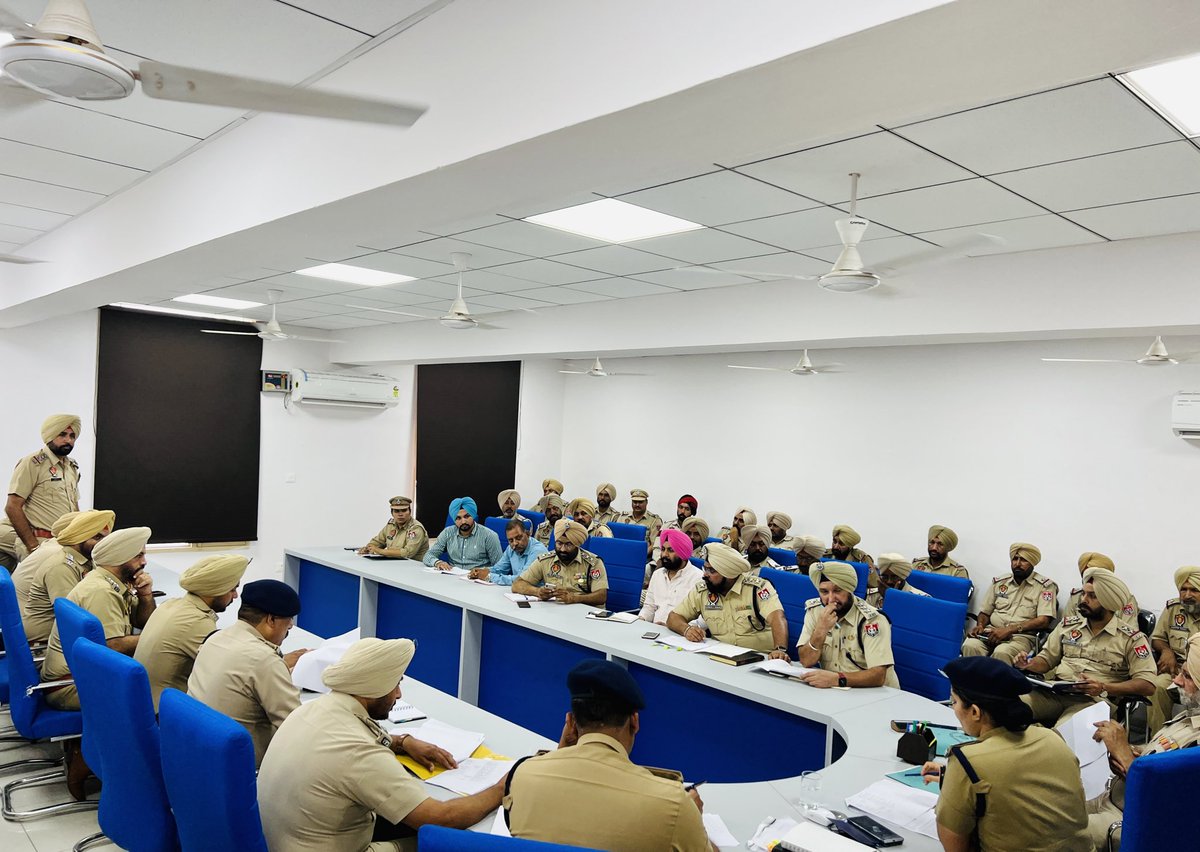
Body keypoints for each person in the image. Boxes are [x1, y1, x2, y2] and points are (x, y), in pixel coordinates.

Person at [257, 638, 504, 851]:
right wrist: (502, 786)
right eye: (395, 684)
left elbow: (364, 738)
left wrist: (403, 742)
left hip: (280, 841)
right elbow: (441, 818)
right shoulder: (359, 752)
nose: (398, 695)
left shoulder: (313, 710)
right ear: (372, 689)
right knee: (451, 844)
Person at [503, 659, 714, 852]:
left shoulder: (522, 776)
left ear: (570, 722)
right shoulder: (673, 804)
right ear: (634, 722)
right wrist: (693, 818)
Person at [919, 656, 1091, 852]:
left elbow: (954, 845)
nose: (953, 709)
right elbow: (1020, 782)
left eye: (954, 701)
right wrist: (956, 781)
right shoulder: (1051, 738)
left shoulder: (968, 762)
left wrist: (959, 779)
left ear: (975, 712)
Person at [1086, 633, 1200, 852]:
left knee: (1057, 831)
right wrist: (1133, 754)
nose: (1175, 680)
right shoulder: (1190, 717)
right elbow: (1166, 765)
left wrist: (1127, 760)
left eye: (1186, 676)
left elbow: (1177, 808)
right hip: (1114, 797)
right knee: (1049, 807)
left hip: (1133, 820)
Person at [188, 579, 308, 768]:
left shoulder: (215, 638)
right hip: (243, 768)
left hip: (201, 753)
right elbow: (296, 726)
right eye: (288, 620)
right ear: (271, 620)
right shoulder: (264, 660)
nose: (291, 626)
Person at [1016, 568, 1156, 725]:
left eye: (1092, 596)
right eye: (1084, 594)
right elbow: (1046, 660)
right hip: (1053, 693)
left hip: (1093, 701)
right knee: (1007, 706)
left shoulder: (1131, 639)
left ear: (1108, 602)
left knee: (1065, 731)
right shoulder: (1068, 626)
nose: (1083, 600)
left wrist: (1104, 687)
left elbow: (1147, 685)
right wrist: (1028, 664)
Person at [40, 526, 156, 711]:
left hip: (79, 676)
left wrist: (145, 595)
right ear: (120, 557)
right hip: (70, 686)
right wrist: (160, 638)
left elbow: (142, 622)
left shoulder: (109, 582)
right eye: (138, 556)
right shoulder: (101, 591)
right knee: (159, 689)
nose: (144, 562)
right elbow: (113, 645)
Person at [134, 554, 248, 711]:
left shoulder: (172, 604)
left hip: (143, 703)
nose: (235, 595)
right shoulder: (197, 622)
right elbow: (233, 673)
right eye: (233, 589)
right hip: (162, 714)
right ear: (215, 590)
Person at [666, 543, 789, 658]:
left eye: (711, 571)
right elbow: (673, 617)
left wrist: (780, 650)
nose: (705, 575)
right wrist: (687, 630)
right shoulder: (703, 591)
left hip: (758, 657)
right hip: (721, 657)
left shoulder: (757, 588)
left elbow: (777, 618)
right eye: (705, 569)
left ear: (729, 573)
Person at [796, 561, 900, 688]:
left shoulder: (872, 621)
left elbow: (878, 675)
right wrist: (821, 629)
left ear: (849, 590)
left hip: (875, 694)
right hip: (835, 689)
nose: (830, 599)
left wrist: (837, 679)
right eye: (824, 592)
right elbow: (806, 661)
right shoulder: (815, 611)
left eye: (837, 591)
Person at [17, 509, 112, 643]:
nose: (104, 544)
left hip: (53, 633)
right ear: (77, 535)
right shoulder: (61, 563)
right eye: (97, 537)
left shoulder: (81, 557)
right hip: (43, 644)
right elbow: (71, 615)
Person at [0, 414, 83, 566]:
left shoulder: (71, 467)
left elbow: (74, 508)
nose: (68, 440)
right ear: (50, 435)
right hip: (37, 540)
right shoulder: (33, 463)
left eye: (72, 436)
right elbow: (12, 507)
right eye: (62, 434)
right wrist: (33, 546)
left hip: (61, 542)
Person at [961, 543, 1058, 665]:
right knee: (970, 645)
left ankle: (995, 685)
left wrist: (1009, 630)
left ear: (1032, 563)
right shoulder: (1000, 582)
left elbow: (1043, 620)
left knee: (1002, 652)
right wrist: (980, 625)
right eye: (1015, 559)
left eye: (1023, 560)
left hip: (1020, 637)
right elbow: (985, 612)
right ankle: (971, 684)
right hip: (991, 631)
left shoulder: (1045, 587)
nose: (1017, 564)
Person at [1147, 565, 1200, 734]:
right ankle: (1159, 738)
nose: (1187, 595)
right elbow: (1157, 638)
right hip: (1175, 670)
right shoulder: (1173, 609)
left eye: (1194, 590)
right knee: (1155, 687)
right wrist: (1166, 651)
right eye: (1183, 589)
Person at [512, 520, 607, 606]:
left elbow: (601, 596)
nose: (562, 549)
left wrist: (575, 598)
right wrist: (537, 591)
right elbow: (517, 585)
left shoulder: (593, 563)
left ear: (577, 544)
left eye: (568, 544)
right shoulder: (545, 560)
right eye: (559, 543)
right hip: (555, 613)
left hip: (585, 613)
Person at [639, 529, 702, 625]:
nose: (664, 555)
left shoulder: (699, 578)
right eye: (663, 549)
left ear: (682, 552)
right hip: (654, 630)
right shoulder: (658, 575)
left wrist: (679, 627)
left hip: (681, 635)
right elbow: (649, 607)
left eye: (671, 550)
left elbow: (703, 617)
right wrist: (641, 620)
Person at [422, 497, 502, 572]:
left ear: (473, 516)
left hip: (478, 580)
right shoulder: (447, 532)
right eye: (458, 518)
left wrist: (482, 572)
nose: (463, 521)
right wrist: (438, 563)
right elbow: (428, 555)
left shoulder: (489, 535)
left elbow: (500, 567)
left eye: (467, 516)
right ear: (454, 520)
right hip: (452, 577)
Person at [468, 518, 547, 586]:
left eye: (518, 538)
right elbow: (498, 569)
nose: (515, 543)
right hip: (518, 592)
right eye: (511, 540)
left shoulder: (537, 550)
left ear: (528, 534)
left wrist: (489, 576)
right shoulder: (511, 549)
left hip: (537, 595)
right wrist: (480, 571)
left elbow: (522, 579)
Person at [1065, 552, 1138, 625]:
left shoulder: (1124, 598)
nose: (1089, 580)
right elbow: (1066, 627)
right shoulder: (1076, 596)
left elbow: (1128, 630)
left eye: (1093, 596)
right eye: (1086, 575)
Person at [358, 496, 428, 560]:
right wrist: (368, 548)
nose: (400, 514)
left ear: (410, 512)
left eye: (404, 510)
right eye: (396, 511)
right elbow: (377, 541)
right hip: (393, 564)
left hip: (413, 566)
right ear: (392, 513)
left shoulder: (416, 528)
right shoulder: (390, 525)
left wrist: (380, 551)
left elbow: (407, 553)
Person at [865, 554, 930, 608]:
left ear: (903, 576)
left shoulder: (921, 599)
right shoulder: (872, 596)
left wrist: (893, 598)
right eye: (885, 576)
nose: (889, 581)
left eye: (894, 577)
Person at [650, 494, 697, 562]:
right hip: (661, 560)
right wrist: (660, 561)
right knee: (647, 569)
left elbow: (692, 552)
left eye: (687, 509)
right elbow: (657, 547)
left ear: (692, 512)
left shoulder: (694, 529)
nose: (682, 511)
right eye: (680, 507)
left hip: (680, 564)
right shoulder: (667, 525)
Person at [618, 488, 662, 557]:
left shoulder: (654, 520)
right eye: (635, 502)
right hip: (622, 554)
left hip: (643, 558)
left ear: (646, 502)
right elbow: (616, 539)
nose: (637, 505)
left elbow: (655, 544)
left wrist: (640, 555)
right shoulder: (623, 517)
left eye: (640, 502)